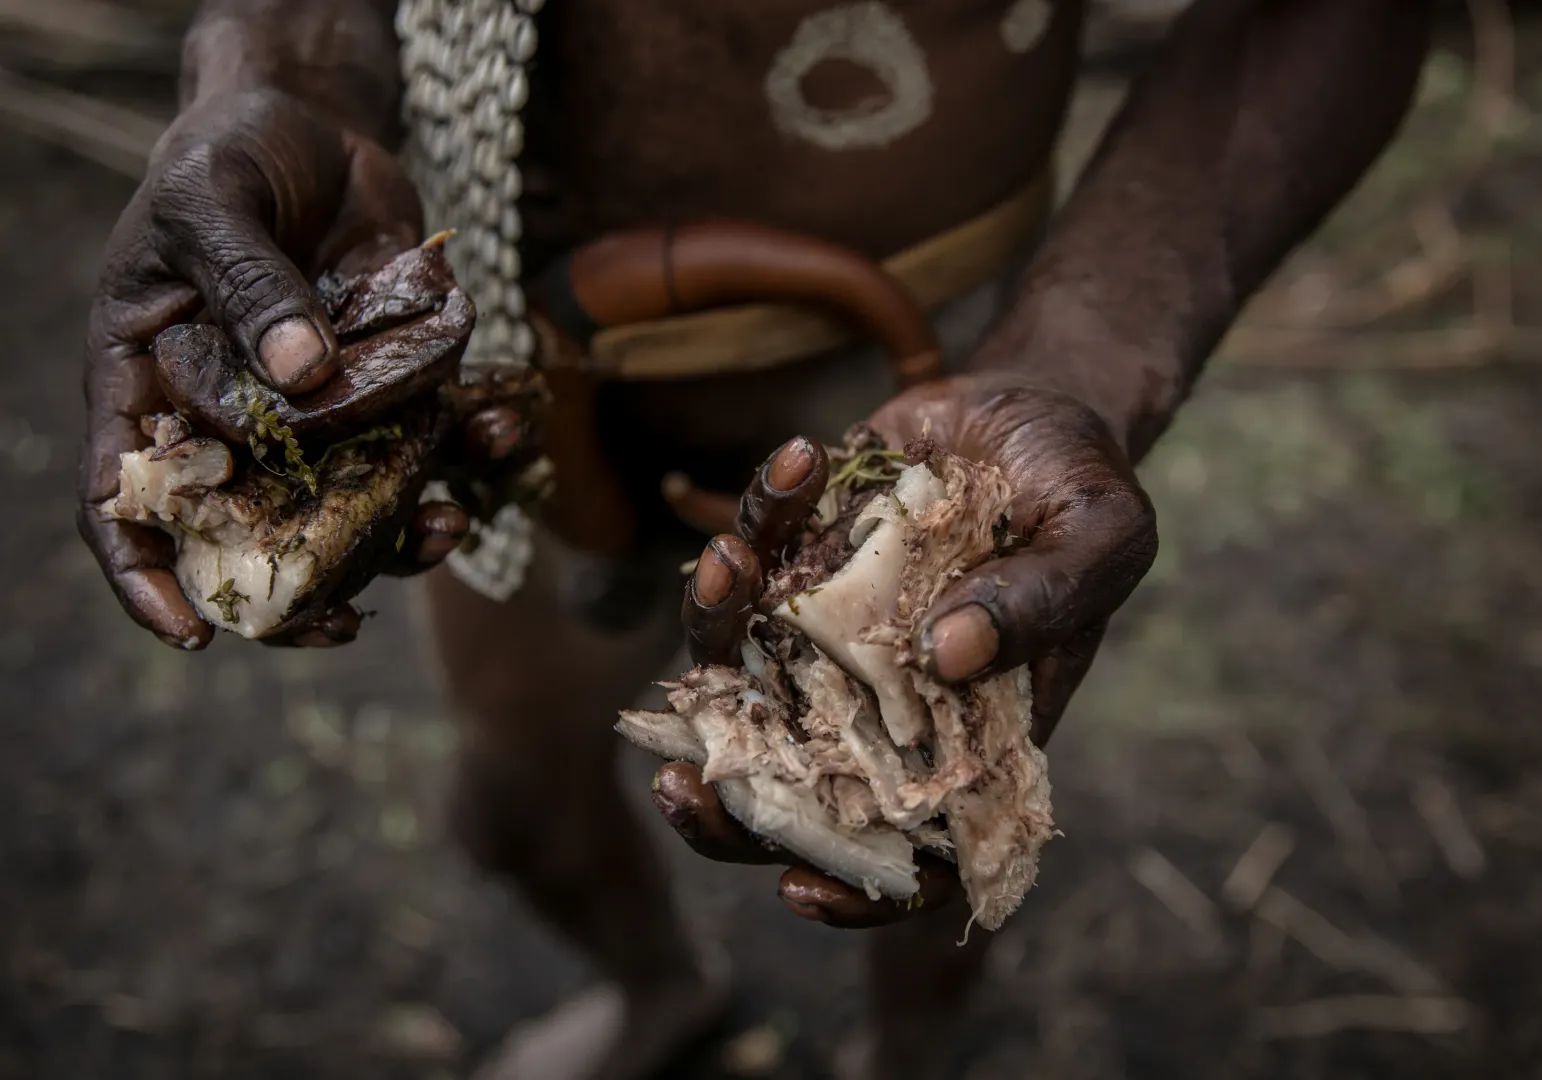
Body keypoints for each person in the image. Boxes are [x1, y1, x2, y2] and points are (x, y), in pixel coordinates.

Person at [77, 1, 1435, 1076]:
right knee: (516, 809)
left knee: (929, 835)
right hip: (501, 381)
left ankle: (914, 1052)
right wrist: (292, 72)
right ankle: (662, 997)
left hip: (925, 377)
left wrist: (1081, 351)